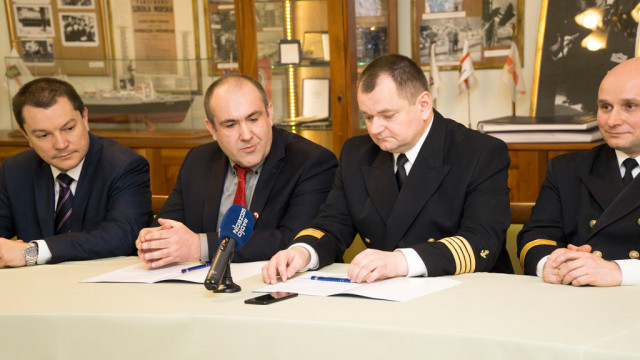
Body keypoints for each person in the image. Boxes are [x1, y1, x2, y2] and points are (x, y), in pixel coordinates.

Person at [263, 54, 512, 284]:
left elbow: (481, 241)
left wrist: (401, 261)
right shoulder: (356, 154)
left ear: (424, 105)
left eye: (387, 115)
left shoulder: (479, 153)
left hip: (467, 293)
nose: (374, 129)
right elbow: (332, 224)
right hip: (388, 294)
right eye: (368, 117)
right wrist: (303, 252)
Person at [136, 74, 337, 268]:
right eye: (231, 125)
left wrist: (200, 246)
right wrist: (153, 242)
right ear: (212, 129)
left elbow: (294, 241)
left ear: (269, 114)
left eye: (253, 119)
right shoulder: (198, 161)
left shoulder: (311, 162)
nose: (246, 135)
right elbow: (166, 227)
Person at [0, 77, 152, 268]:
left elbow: (121, 235)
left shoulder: (124, 165)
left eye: (69, 128)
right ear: (26, 136)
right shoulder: (14, 170)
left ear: (85, 118)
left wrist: (32, 252)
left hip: (105, 286)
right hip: (34, 287)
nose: (61, 144)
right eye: (43, 135)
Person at [518, 57, 640, 287]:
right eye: (605, 107)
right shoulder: (566, 169)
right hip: (575, 300)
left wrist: (619, 272)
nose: (612, 120)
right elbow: (534, 237)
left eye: (630, 106)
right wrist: (550, 264)